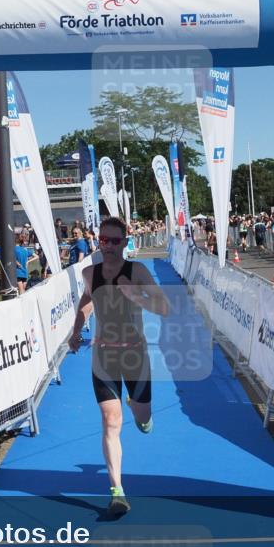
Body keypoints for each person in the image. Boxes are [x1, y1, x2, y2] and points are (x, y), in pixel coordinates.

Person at [68, 217, 171, 517]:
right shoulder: (89, 272)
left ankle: (141, 413)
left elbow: (163, 306)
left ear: (125, 243)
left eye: (115, 241)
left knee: (143, 418)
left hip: (135, 356)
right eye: (104, 240)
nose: (109, 246)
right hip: (104, 356)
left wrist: (135, 294)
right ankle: (117, 492)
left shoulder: (136, 271)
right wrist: (77, 331)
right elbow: (87, 301)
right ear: (98, 241)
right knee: (111, 421)